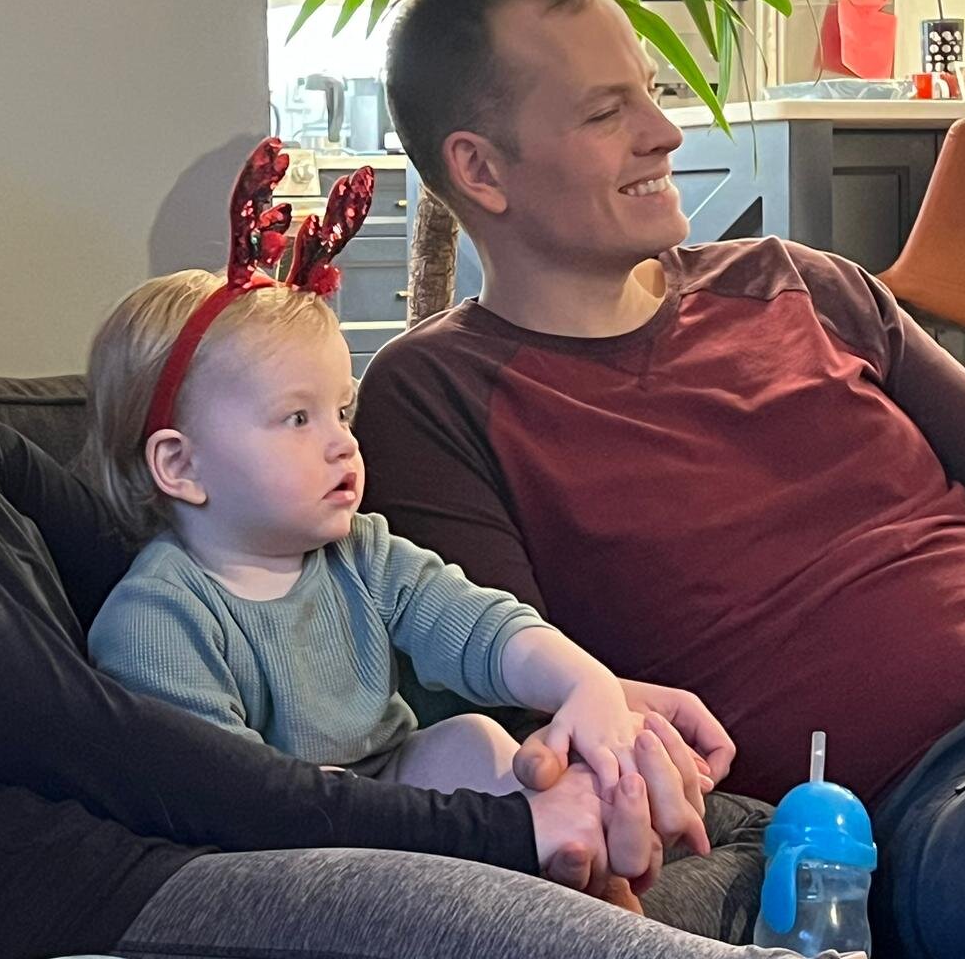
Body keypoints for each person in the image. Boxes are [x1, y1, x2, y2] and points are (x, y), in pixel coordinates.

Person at [0, 0, 852, 959]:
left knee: (758, 834)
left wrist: (581, 699)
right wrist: (483, 832)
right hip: (73, 910)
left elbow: (237, 566)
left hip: (168, 863)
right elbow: (72, 730)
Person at [353, 0, 965, 958]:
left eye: (651, 93)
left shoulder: (799, 282)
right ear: (480, 169)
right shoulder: (436, 397)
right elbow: (521, 698)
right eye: (606, 113)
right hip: (962, 789)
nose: (666, 132)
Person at [80, 233, 708, 812]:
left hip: (396, 792)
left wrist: (586, 684)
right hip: (288, 837)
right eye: (297, 418)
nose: (343, 444)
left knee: (471, 739)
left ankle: (581, 841)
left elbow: (481, 628)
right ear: (181, 465)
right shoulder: (156, 619)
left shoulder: (363, 554)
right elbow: (235, 796)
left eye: (341, 411)